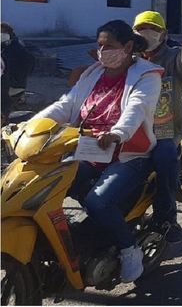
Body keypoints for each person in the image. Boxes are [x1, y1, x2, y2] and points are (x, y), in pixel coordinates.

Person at [33, 20, 162, 283]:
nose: (103, 51)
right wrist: (32, 125)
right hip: (88, 150)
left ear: (127, 46)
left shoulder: (147, 76)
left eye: (109, 46)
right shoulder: (92, 73)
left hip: (128, 154)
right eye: (100, 45)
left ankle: (129, 250)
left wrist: (117, 133)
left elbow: (136, 109)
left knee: (98, 201)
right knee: (44, 183)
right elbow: (65, 105)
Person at [132, 0, 182, 243]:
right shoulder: (126, 60)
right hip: (128, 131)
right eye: (141, 29)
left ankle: (166, 218)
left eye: (153, 29)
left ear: (163, 34)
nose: (147, 33)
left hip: (162, 132)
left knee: (165, 163)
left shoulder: (172, 59)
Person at [1, 22, 35, 122]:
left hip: (13, 85)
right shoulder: (9, 46)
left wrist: (13, 80)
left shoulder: (13, 48)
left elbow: (27, 65)